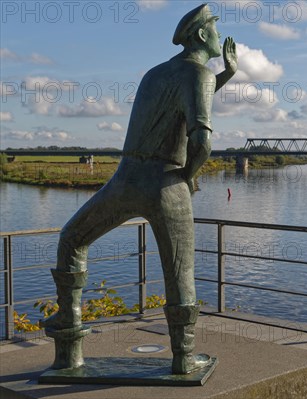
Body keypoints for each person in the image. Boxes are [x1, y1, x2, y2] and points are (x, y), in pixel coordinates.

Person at [42, 4, 237, 375]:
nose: (217, 33)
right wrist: (190, 175)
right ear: (201, 35)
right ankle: (183, 357)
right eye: (214, 27)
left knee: (72, 239)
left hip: (126, 178)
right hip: (166, 181)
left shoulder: (156, 73)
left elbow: (185, 95)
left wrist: (224, 75)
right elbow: (203, 142)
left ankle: (68, 332)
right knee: (180, 273)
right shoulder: (200, 75)